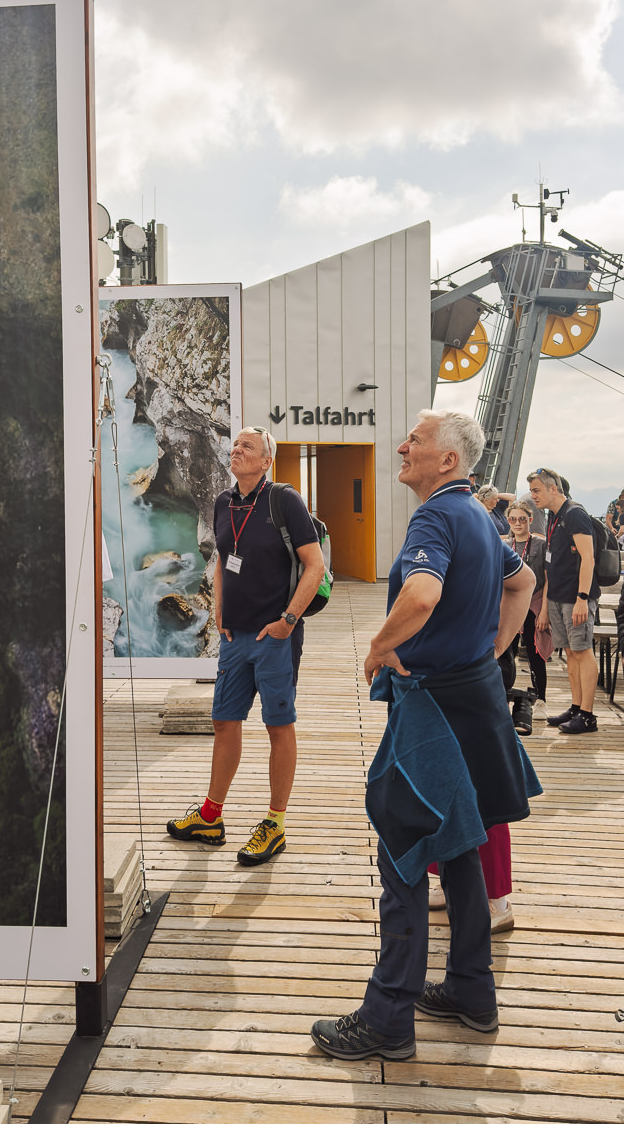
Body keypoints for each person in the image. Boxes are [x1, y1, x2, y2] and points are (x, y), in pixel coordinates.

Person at [311, 409, 538, 1062]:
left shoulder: (436, 516)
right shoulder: (480, 517)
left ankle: (387, 1018)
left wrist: (379, 645)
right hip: (475, 699)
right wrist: (493, 648)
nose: (403, 445)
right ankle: (472, 990)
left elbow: (421, 596)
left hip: (433, 708)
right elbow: (520, 582)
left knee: (404, 850)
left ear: (448, 462)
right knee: (459, 845)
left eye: (417, 439)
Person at [166, 427, 325, 866]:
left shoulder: (284, 500)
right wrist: (218, 609)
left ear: (266, 460)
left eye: (247, 447)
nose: (236, 451)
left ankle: (274, 824)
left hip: (274, 637)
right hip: (234, 636)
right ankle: (211, 816)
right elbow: (221, 557)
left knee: (278, 727)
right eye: (234, 445)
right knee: (224, 722)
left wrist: (288, 621)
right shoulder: (223, 502)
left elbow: (316, 565)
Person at [528, 467, 600, 734]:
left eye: (537, 490)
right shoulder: (553, 517)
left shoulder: (575, 515)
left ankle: (588, 716)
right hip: (557, 596)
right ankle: (576, 706)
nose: (533, 496)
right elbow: (550, 561)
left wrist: (582, 598)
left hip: (575, 597)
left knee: (582, 651)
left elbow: (588, 558)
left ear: (553, 489)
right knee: (570, 652)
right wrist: (545, 607)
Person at [505, 500, 551, 721]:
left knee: (535, 653)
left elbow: (548, 579)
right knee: (507, 652)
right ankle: (502, 697)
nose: (517, 523)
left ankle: (541, 699)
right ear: (508, 521)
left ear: (530, 520)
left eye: (522, 518)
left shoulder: (541, 545)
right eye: (513, 519)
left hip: (535, 603)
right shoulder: (504, 545)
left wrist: (545, 611)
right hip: (512, 604)